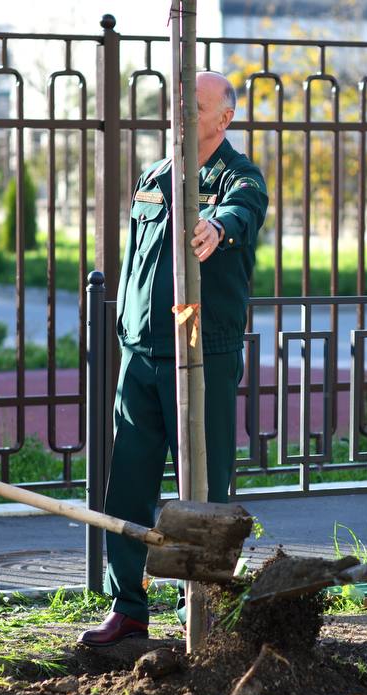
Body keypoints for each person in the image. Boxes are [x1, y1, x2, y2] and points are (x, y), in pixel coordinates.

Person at [79, 71, 269, 646]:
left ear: (223, 119)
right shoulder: (155, 175)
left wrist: (216, 225)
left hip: (200, 354)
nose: (178, 113)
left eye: (194, 106)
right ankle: (128, 607)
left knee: (205, 489)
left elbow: (242, 213)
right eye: (175, 103)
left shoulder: (239, 176)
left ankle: (202, 610)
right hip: (141, 353)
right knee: (128, 487)